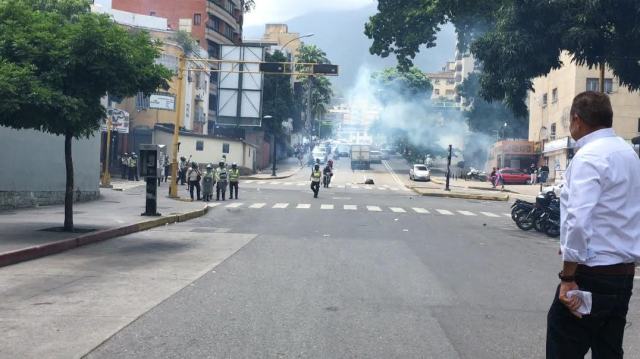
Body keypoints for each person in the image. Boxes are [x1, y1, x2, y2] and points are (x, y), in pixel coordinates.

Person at [546, 92, 640, 359]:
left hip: (590, 274)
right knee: (608, 351)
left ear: (577, 119)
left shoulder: (588, 157)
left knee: (563, 346)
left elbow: (578, 222)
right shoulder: (629, 154)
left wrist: (568, 277)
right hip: (622, 276)